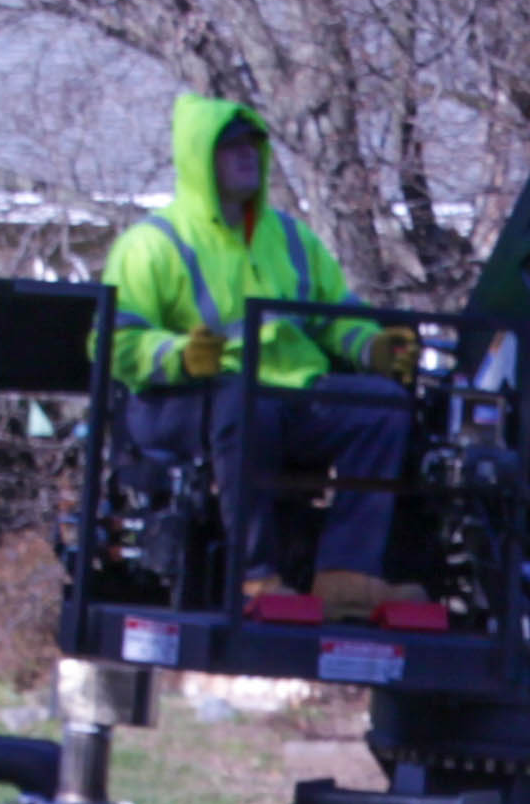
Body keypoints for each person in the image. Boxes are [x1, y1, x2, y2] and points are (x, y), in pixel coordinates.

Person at [103, 92, 420, 619]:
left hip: (286, 392)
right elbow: (116, 344)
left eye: (253, 144)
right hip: (180, 401)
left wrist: (372, 348)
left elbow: (332, 314)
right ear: (201, 159)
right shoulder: (151, 244)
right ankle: (255, 577)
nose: (247, 154)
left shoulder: (292, 238)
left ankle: (344, 576)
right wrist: (181, 355)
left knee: (382, 406)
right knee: (244, 405)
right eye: (231, 147)